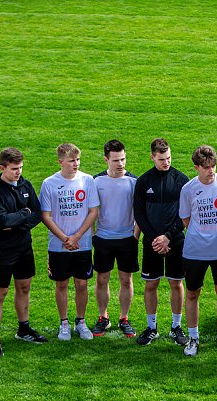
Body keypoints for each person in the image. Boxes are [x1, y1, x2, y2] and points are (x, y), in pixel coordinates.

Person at [0, 147, 47, 356]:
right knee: (0, 292)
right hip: (2, 249)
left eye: (20, 167)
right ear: (2, 167)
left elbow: (37, 213)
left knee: (24, 287)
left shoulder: (25, 184)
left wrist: (18, 222)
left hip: (23, 246)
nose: (18, 172)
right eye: (13, 169)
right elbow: (1, 221)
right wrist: (23, 213)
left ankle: (24, 328)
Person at [178, 145, 217, 356]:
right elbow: (186, 219)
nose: (210, 171)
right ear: (196, 167)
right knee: (193, 292)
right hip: (195, 250)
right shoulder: (188, 189)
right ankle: (193, 338)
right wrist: (201, 232)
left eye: (213, 166)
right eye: (205, 167)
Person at [39, 143, 99, 341]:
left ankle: (80, 321)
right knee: (61, 283)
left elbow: (93, 212)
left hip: (82, 243)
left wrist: (77, 237)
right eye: (72, 160)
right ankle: (63, 323)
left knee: (82, 283)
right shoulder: (49, 183)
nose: (76, 164)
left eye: (78, 160)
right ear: (61, 161)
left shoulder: (87, 180)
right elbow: (46, 216)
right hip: (58, 245)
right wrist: (65, 238)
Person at [133, 138, 189, 346]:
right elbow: (138, 213)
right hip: (151, 241)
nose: (166, 162)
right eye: (161, 159)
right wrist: (154, 237)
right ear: (152, 157)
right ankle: (151, 327)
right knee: (151, 283)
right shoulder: (144, 181)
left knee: (176, 282)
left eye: (168, 158)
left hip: (175, 240)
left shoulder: (182, 180)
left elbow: (184, 213)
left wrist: (168, 236)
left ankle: (176, 327)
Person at [91, 140, 139, 338]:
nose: (121, 164)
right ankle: (103, 317)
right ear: (106, 160)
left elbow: (140, 212)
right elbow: (91, 211)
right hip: (103, 239)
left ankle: (124, 318)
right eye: (116, 160)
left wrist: (135, 236)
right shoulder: (96, 182)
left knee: (126, 279)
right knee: (102, 279)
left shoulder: (134, 182)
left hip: (127, 239)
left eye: (123, 159)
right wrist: (94, 235)